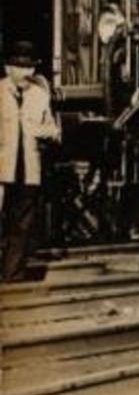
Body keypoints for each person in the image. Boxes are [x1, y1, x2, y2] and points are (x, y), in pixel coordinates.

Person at [2, 41, 60, 283]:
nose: (27, 73)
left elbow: (53, 130)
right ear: (8, 69)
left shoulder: (39, 96)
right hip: (2, 172)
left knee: (22, 226)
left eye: (30, 68)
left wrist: (44, 132)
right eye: (21, 67)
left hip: (29, 172)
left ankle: (12, 276)